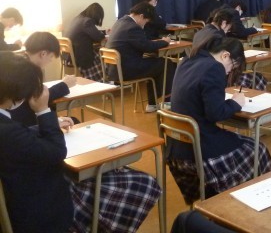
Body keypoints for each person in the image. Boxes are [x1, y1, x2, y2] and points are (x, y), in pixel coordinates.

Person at [0, 53, 161, 233]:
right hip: (43, 207)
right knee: (143, 183)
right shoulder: (9, 132)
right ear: (16, 92)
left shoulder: (6, 126)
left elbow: (20, 137)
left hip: (21, 196)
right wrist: (43, 111)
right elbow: (57, 152)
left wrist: (46, 125)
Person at [167, 35, 271, 203]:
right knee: (258, 149)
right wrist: (235, 103)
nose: (229, 72)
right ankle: (262, 199)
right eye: (232, 67)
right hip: (200, 151)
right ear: (225, 55)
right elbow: (215, 114)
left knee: (239, 141)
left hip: (177, 149)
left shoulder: (186, 61)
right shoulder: (214, 67)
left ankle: (218, 197)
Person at [105, 2, 175, 112]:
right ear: (141, 16)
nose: (145, 24)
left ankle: (153, 104)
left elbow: (141, 44)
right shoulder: (132, 27)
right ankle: (166, 101)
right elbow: (147, 46)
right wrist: (165, 42)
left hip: (114, 69)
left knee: (155, 64)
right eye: (146, 21)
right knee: (166, 63)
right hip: (126, 70)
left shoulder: (120, 22)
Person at [191, 8, 268, 91]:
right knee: (257, 77)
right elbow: (223, 61)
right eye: (228, 29)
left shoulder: (200, 32)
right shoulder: (217, 37)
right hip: (212, 75)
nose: (226, 32)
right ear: (224, 23)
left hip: (196, 73)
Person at [11, 32, 77, 127]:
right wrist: (64, 85)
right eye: (51, 57)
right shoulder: (27, 71)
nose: (50, 61)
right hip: (22, 124)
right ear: (43, 54)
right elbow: (37, 99)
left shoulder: (19, 62)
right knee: (73, 121)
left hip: (19, 120)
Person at [63, 2, 108, 81]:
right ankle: (101, 81)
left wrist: (105, 31)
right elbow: (98, 37)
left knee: (97, 52)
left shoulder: (78, 19)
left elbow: (90, 32)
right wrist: (104, 35)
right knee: (102, 55)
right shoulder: (87, 21)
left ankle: (102, 80)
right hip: (80, 56)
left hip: (68, 56)